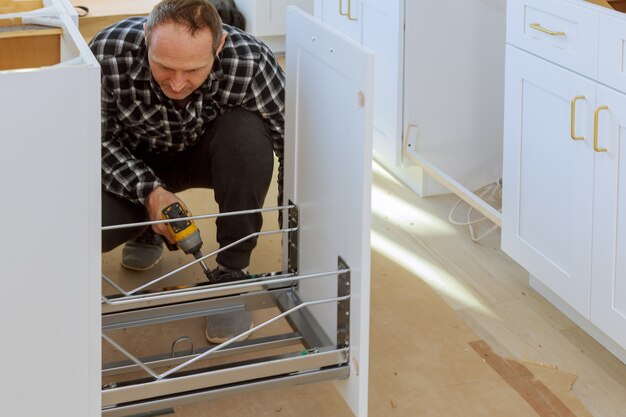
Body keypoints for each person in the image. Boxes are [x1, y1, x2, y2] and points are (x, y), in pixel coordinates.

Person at [90, 0, 285, 343]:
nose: (178, 84)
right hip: (137, 161)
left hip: (206, 154)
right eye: (164, 66)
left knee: (247, 136)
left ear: (219, 46)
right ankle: (146, 229)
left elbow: (291, 143)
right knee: (91, 227)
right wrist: (150, 192)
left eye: (194, 70)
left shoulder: (250, 61)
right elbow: (93, 141)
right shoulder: (107, 53)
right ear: (147, 37)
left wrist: (301, 232)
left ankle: (231, 275)